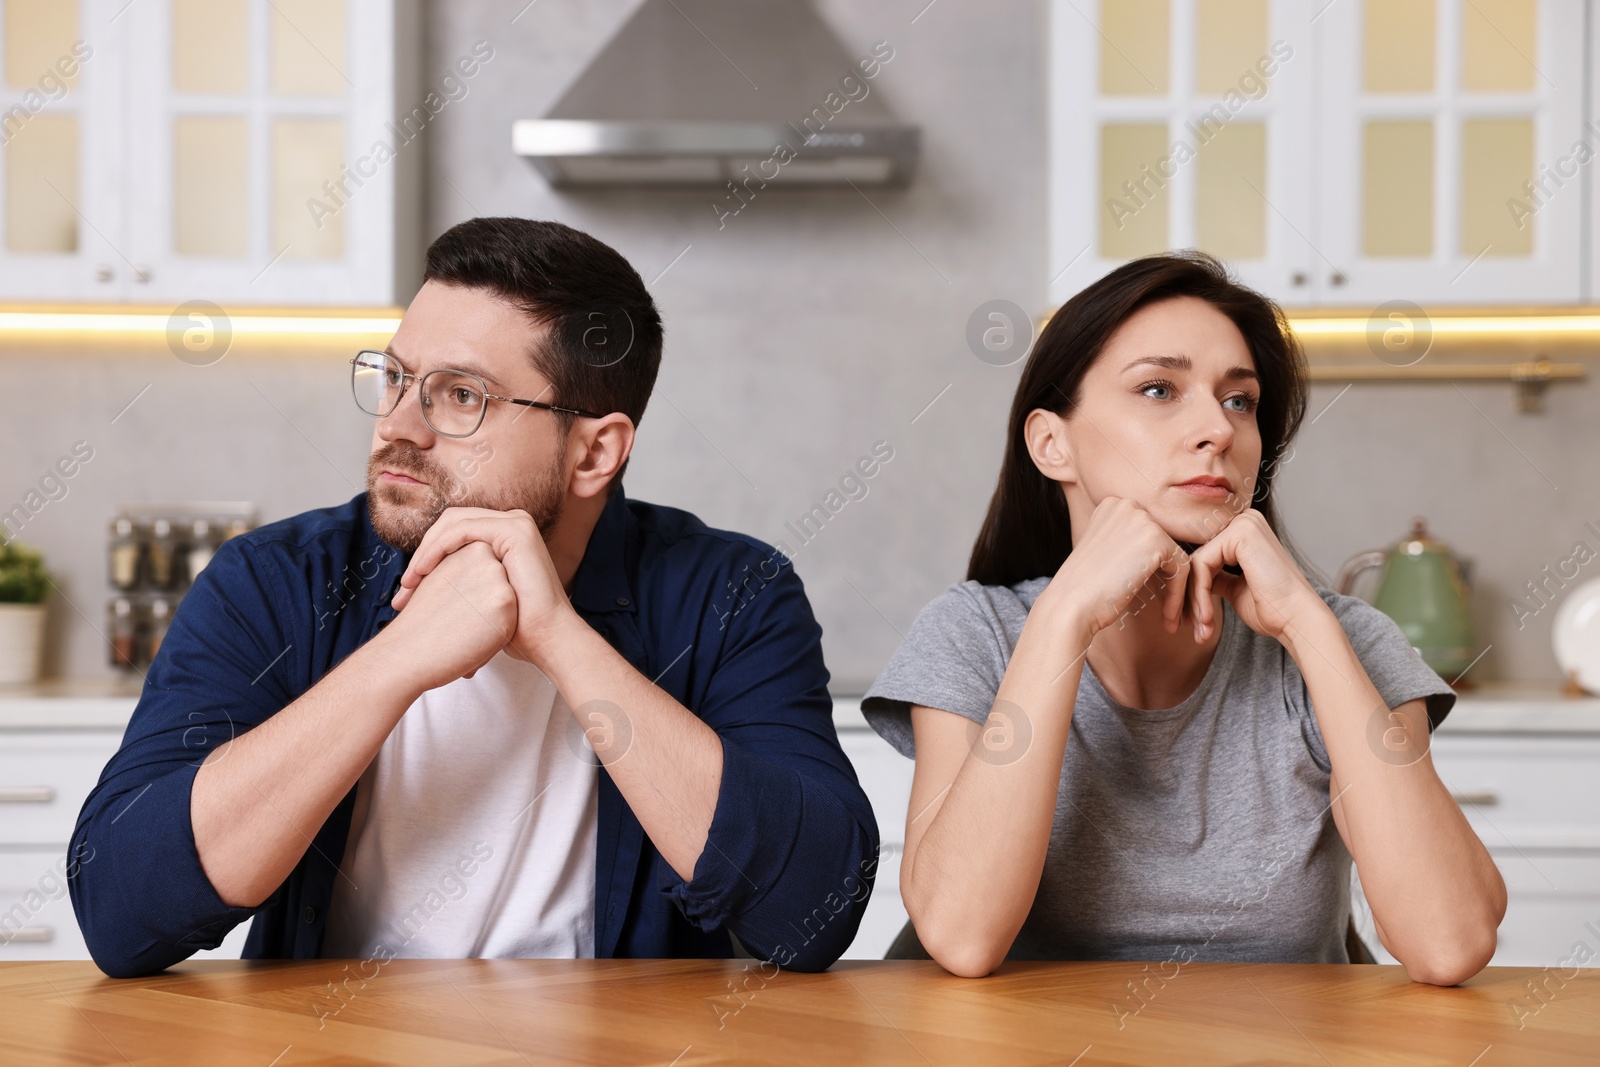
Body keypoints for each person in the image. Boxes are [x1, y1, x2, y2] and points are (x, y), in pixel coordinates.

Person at [71, 217, 878, 979]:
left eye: (461, 396)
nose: (398, 425)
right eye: (393, 377)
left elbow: (813, 910)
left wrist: (561, 638)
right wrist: (395, 662)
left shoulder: (731, 595)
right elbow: (121, 910)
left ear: (595, 451)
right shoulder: (272, 582)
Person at [862, 252, 1505, 984]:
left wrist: (1306, 621)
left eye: (1239, 401)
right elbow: (962, 935)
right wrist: (1064, 616)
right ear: (1052, 442)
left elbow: (1449, 941)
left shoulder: (1341, 638)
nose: (1218, 430)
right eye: (1159, 388)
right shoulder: (974, 632)